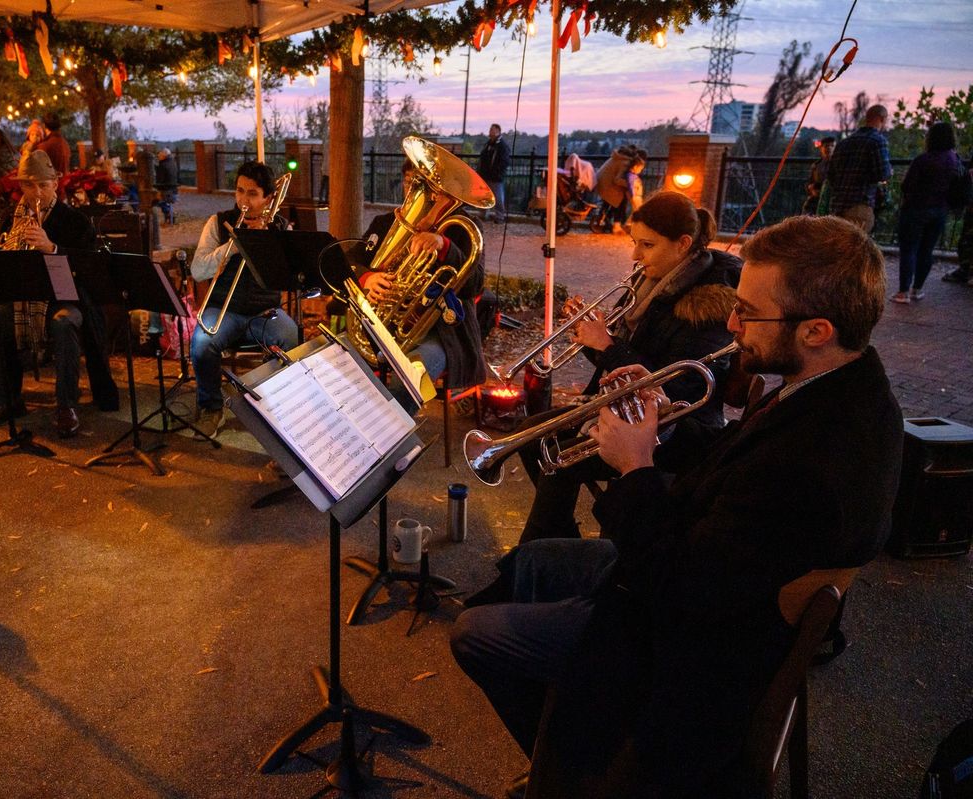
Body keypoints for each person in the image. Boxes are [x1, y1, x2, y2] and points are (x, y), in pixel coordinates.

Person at [450, 214, 903, 798]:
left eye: (749, 312)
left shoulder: (819, 460)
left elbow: (679, 593)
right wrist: (662, 418)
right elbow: (730, 464)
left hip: (695, 647)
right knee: (532, 563)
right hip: (699, 568)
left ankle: (586, 770)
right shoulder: (832, 389)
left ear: (816, 330)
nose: (733, 325)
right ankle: (564, 747)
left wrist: (636, 468)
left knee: (474, 633)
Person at [514, 191, 738, 544]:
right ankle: (556, 543)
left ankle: (535, 553)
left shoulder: (709, 305)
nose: (635, 255)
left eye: (647, 245)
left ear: (682, 244)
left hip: (675, 428)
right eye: (635, 243)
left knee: (556, 459)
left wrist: (607, 345)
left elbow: (677, 388)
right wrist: (589, 336)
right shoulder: (646, 282)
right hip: (623, 405)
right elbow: (617, 363)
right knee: (529, 435)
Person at [0, 151, 117, 438]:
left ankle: (66, 406)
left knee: (64, 322)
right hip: (20, 304)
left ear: (56, 183)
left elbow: (90, 269)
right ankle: (6, 400)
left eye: (43, 185)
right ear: (21, 188)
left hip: (63, 300)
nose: (37, 192)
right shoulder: (10, 219)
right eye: (30, 186)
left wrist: (51, 248)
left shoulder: (74, 221)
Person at [353, 158, 487, 398]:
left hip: (442, 334)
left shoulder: (464, 227)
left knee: (409, 379)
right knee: (336, 360)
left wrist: (444, 246)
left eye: (432, 188)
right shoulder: (384, 223)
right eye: (410, 183)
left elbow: (476, 285)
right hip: (385, 326)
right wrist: (367, 279)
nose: (423, 194)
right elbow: (351, 263)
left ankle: (391, 431)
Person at [188, 160, 299, 439]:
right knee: (202, 344)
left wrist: (268, 246)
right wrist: (232, 247)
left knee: (292, 339)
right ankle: (212, 408)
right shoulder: (218, 222)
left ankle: (282, 411)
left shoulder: (281, 229)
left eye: (252, 194)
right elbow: (197, 269)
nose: (243, 200)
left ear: (268, 198)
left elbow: (292, 277)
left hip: (264, 312)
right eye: (239, 191)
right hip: (223, 309)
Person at [892, 121, 964, 304]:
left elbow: (907, 185)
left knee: (909, 249)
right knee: (927, 250)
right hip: (940, 210)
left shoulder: (923, 160)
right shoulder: (954, 160)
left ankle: (903, 292)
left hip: (916, 209)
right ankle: (917, 289)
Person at [826, 104, 892, 233]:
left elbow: (831, 174)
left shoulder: (844, 143)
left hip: (838, 204)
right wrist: (890, 170)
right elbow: (883, 173)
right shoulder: (878, 141)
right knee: (856, 246)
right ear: (882, 119)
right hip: (860, 204)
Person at [477, 124, 510, 224]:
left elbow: (504, 161)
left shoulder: (502, 145)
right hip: (485, 175)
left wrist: (497, 172)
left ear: (498, 131)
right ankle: (483, 214)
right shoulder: (488, 144)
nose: (490, 131)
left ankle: (500, 216)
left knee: (498, 197)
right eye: (490, 129)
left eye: (492, 130)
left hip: (495, 177)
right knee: (484, 197)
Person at [802, 136, 835, 215]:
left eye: (832, 146)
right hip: (816, 198)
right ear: (821, 148)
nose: (829, 148)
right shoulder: (816, 165)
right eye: (826, 146)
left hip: (831, 199)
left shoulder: (838, 165)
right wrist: (812, 189)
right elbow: (809, 183)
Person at [154, 148, 178, 223]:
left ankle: (168, 213)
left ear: (164, 156)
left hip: (166, 191)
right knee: (160, 200)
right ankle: (169, 214)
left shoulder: (163, 165)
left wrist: (155, 188)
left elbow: (160, 181)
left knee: (154, 200)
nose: (158, 157)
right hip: (174, 190)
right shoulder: (173, 163)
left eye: (159, 156)